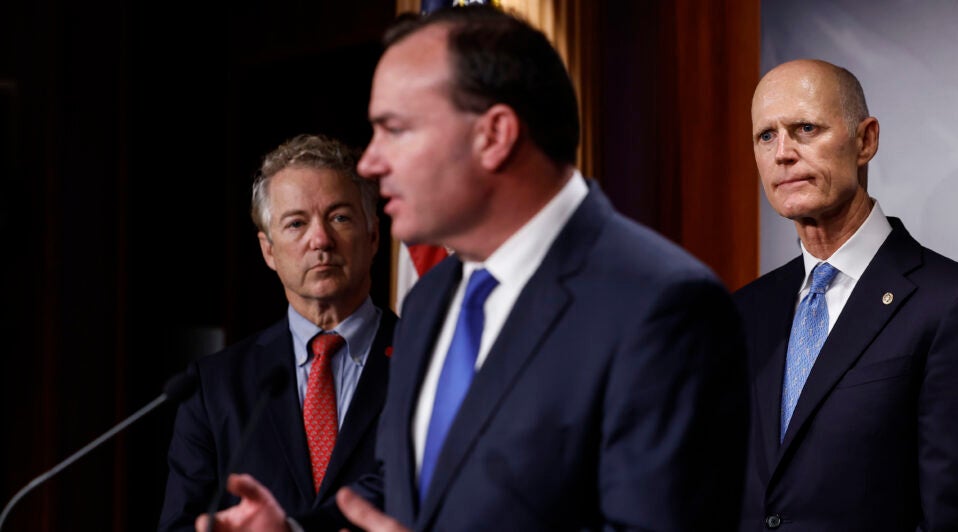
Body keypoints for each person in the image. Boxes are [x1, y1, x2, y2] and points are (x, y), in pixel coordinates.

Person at [199, 5, 748, 531]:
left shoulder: (661, 306)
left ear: (493, 135)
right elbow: (410, 483)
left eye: (396, 129)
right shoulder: (430, 299)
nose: (370, 161)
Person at [735, 58, 958, 530]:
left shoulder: (957, 307)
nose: (782, 153)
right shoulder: (744, 311)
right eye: (766, 135)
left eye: (805, 128)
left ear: (865, 140)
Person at [158, 134, 397, 531]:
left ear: (373, 237)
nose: (320, 240)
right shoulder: (212, 385)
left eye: (339, 217)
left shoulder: (429, 360)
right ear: (269, 250)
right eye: (296, 223)